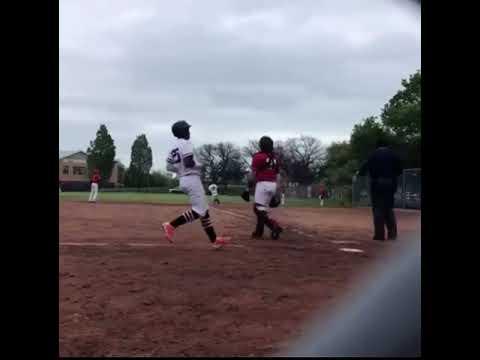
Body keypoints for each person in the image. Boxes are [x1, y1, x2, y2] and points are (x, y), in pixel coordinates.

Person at [162, 120, 230, 249]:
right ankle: (171, 225)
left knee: (204, 210)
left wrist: (180, 169)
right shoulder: (186, 143)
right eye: (187, 129)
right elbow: (189, 163)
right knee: (199, 210)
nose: (189, 132)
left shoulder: (173, 146)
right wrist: (200, 165)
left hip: (184, 179)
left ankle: (214, 240)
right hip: (191, 179)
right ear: (183, 131)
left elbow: (168, 166)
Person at [357, 138, 403, 241]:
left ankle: (379, 235)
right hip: (391, 184)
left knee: (378, 208)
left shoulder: (373, 155)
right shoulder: (393, 155)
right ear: (387, 145)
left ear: (377, 146)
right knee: (388, 208)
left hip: (377, 184)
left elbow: (363, 170)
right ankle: (392, 234)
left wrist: (361, 173)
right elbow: (400, 170)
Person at [242, 136, 283, 240]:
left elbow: (252, 175)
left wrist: (248, 188)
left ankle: (273, 226)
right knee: (262, 209)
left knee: (257, 209)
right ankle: (258, 232)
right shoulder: (275, 158)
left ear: (261, 145)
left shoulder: (258, 157)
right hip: (273, 184)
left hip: (263, 184)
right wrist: (277, 191)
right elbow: (278, 176)